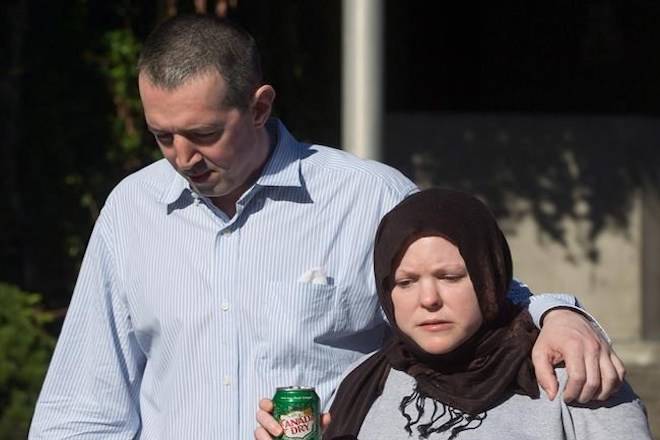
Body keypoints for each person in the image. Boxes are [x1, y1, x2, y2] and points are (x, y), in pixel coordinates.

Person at [30, 15, 623, 439]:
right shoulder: (131, 210)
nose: (182, 157)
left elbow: (477, 293)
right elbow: (84, 405)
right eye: (163, 136)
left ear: (260, 107)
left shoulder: (367, 196)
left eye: (205, 134)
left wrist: (557, 313)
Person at [323, 189, 651, 439]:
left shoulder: (577, 373)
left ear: (489, 277)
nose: (428, 299)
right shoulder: (366, 382)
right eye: (405, 282)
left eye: (449, 277)